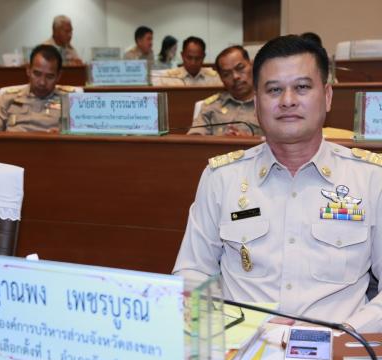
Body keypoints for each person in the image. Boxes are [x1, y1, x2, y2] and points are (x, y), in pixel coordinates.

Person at [173, 34, 382, 333]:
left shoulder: (371, 179)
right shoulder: (221, 178)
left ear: (327, 96)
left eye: (302, 87)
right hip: (242, 345)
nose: (288, 100)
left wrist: (348, 331)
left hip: (337, 347)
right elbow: (192, 273)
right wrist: (232, 327)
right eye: (274, 90)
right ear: (257, 102)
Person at [0, 44, 75, 132]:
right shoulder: (8, 98)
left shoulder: (71, 102)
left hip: (53, 143)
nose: (42, 82)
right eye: (37, 74)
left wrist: (64, 134)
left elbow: (80, 136)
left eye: (49, 77)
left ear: (59, 76)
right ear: (28, 70)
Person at [188, 45, 261, 136]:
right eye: (226, 74)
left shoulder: (269, 103)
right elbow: (194, 139)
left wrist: (249, 140)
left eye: (240, 68)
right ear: (221, 78)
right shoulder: (210, 106)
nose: (235, 77)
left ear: (252, 66)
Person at [151, 36, 222, 86]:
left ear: (203, 56)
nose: (193, 63)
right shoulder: (169, 77)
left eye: (198, 58)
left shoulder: (215, 78)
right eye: (189, 58)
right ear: (182, 55)